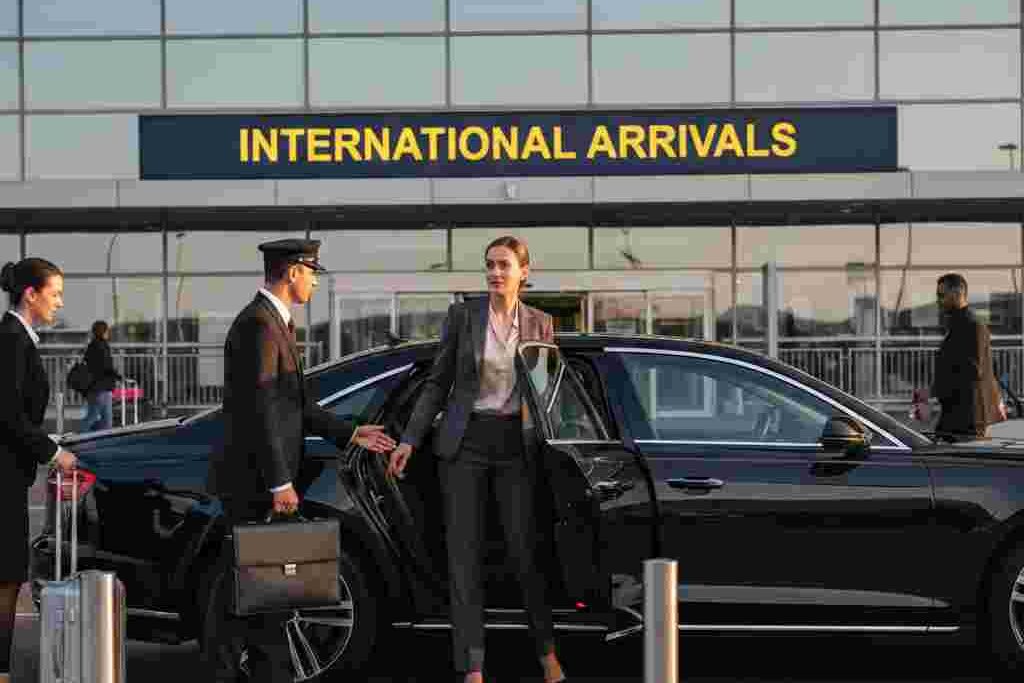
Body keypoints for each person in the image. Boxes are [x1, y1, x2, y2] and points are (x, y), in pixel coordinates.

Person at [203, 238, 396, 683]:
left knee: (260, 598)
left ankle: (258, 670)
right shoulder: (259, 325)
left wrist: (352, 433)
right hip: (255, 485)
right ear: (292, 272)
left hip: (261, 483)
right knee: (251, 598)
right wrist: (279, 482)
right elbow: (263, 410)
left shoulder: (274, 322)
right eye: (311, 272)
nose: (314, 282)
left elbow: (298, 404)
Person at [387, 236, 566, 683]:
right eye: (490, 265)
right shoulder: (463, 317)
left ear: (524, 271)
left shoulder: (541, 324)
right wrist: (410, 439)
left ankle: (546, 653)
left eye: (504, 265)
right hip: (465, 443)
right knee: (463, 558)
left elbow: (547, 394)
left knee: (524, 553)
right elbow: (438, 383)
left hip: (516, 445)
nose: (495, 273)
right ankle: (472, 666)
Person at [0, 258, 77, 682]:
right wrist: (52, 452)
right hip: (3, 476)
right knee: (7, 578)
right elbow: (8, 414)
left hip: (10, 473)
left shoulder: (18, 338)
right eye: (55, 293)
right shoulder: (11, 339)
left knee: (9, 576)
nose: (60, 302)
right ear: (30, 294)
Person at [931, 273, 1006, 442]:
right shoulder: (959, 325)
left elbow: (973, 371)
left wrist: (938, 392)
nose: (938, 300)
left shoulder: (972, 326)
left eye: (941, 295)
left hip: (969, 421)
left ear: (957, 294)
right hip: (959, 417)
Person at [81, 320, 122, 432]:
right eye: (107, 330)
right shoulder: (102, 346)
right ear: (103, 331)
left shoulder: (91, 346)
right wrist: (119, 377)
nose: (108, 332)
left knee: (102, 420)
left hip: (94, 387)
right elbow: (106, 367)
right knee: (99, 419)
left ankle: (87, 435)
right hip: (102, 387)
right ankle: (81, 435)